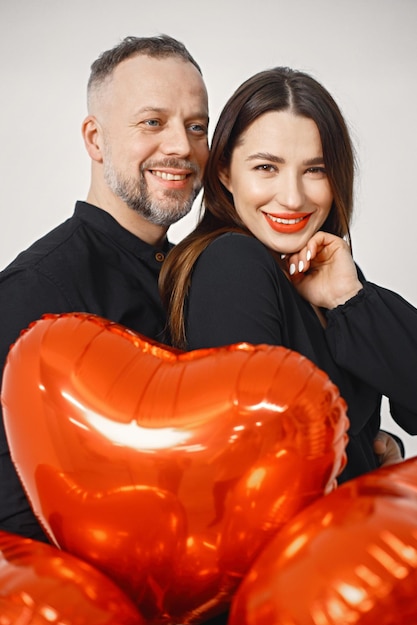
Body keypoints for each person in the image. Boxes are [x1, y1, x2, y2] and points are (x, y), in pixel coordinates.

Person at [159, 66, 416, 485]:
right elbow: (259, 468)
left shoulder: (332, 273)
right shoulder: (232, 263)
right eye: (266, 168)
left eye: (315, 170)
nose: (293, 197)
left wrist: (350, 298)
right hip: (308, 548)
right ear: (224, 172)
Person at [0, 34, 209, 543]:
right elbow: (17, 520)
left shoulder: (208, 269)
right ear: (95, 139)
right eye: (152, 122)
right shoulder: (33, 292)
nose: (181, 146)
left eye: (196, 125)